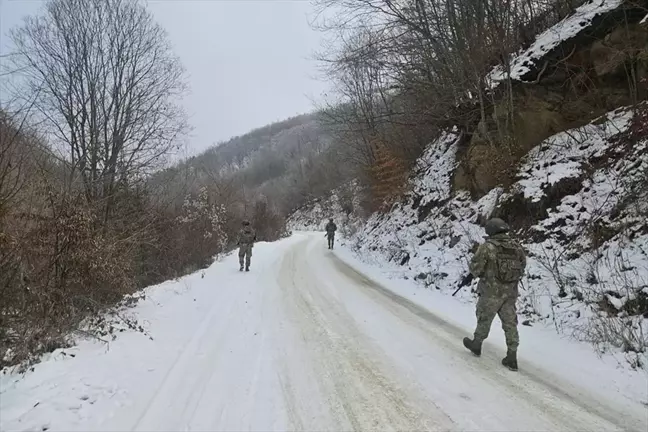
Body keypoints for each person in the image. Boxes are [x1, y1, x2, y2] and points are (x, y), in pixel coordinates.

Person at [463, 218, 527, 371]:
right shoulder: (517, 248)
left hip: (491, 292)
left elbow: (476, 268)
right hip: (510, 293)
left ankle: (477, 344)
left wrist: (472, 275)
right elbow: (522, 267)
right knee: (510, 323)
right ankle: (512, 356)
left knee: (484, 317)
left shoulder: (487, 247)